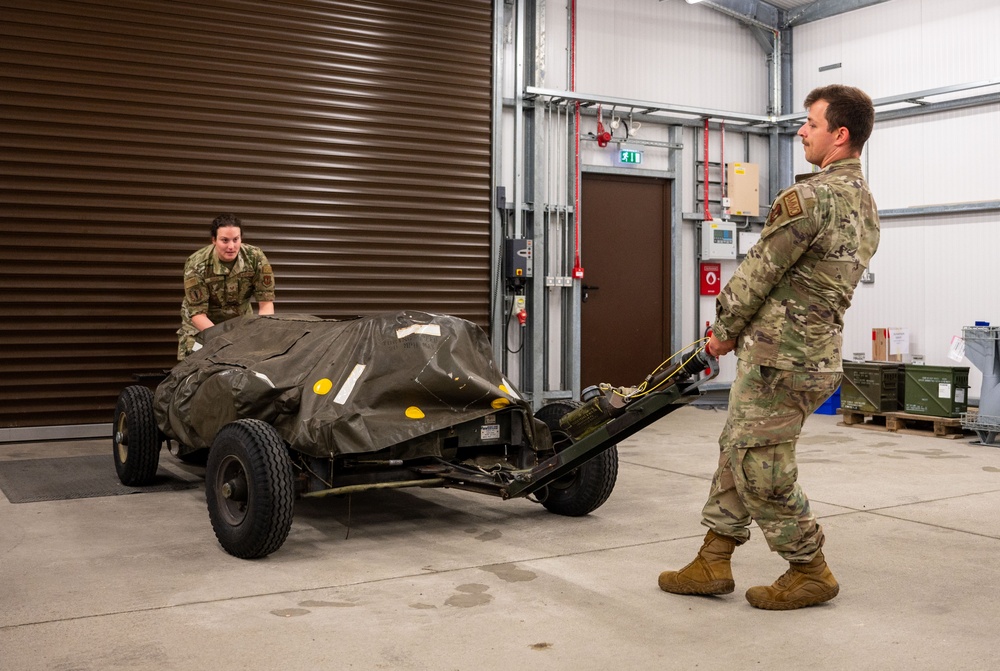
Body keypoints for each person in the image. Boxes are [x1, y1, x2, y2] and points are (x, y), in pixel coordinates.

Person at [658, 85, 880, 610]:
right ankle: (713, 557)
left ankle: (809, 568)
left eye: (811, 123)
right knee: (737, 449)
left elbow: (758, 272)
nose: (802, 131)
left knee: (762, 467)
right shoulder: (865, 205)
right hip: (809, 355)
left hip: (783, 359)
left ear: (839, 135)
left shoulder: (810, 197)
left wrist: (723, 330)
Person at [176, 213, 275, 359]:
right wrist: (225, 342)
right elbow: (198, 315)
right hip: (201, 326)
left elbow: (266, 305)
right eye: (224, 240)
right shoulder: (196, 264)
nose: (231, 246)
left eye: (236, 239)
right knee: (195, 365)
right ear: (214, 240)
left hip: (240, 323)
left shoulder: (255, 257)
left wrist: (262, 335)